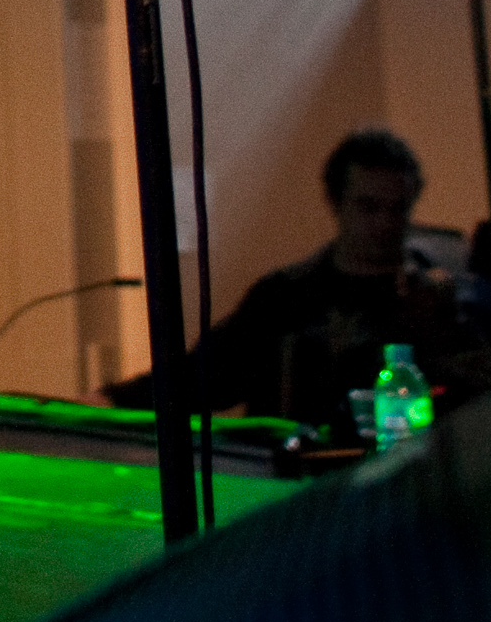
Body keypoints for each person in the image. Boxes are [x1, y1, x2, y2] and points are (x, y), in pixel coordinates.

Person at [108, 129, 488, 443]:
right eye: (369, 207)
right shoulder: (285, 297)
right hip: (290, 489)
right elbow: (206, 375)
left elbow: (472, 398)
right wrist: (111, 400)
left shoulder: (440, 301)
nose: (386, 224)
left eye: (398, 209)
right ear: (336, 202)